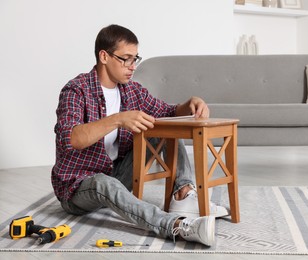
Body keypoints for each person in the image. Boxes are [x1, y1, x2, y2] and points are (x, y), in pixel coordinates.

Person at [51, 24, 229, 247]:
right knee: (102, 183)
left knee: (162, 129)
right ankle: (177, 226)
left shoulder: (132, 91)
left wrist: (191, 103)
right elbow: (72, 139)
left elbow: (168, 112)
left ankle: (183, 194)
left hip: (117, 175)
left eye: (135, 59)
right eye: (126, 59)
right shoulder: (76, 90)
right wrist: (117, 119)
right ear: (104, 56)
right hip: (78, 188)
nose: (132, 66)